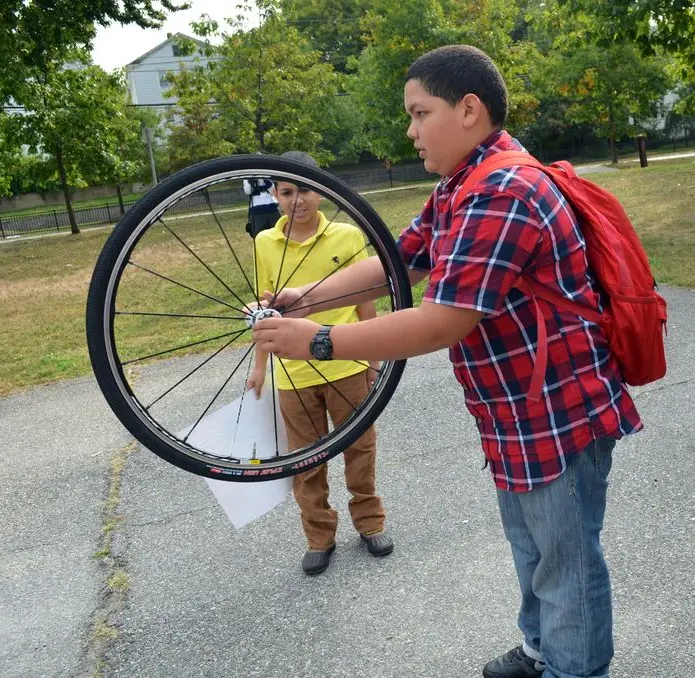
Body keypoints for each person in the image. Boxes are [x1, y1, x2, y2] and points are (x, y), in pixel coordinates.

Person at [253, 45, 642, 678]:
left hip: (556, 410)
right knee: (530, 542)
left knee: (566, 558)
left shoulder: (505, 191)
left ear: (468, 109)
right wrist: (309, 296)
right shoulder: (460, 185)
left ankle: (576, 669)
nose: (409, 130)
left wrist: (319, 340)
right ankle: (541, 649)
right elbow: (402, 260)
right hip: (513, 408)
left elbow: (443, 321)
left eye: (418, 112)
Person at [247, 150, 392, 576]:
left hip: (345, 364)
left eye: (306, 189)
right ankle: (319, 536)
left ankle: (370, 522)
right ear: (274, 194)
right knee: (305, 460)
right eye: (288, 191)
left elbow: (365, 300)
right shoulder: (263, 243)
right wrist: (260, 367)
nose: (298, 200)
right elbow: (266, 314)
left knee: (360, 449)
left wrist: (373, 356)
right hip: (292, 372)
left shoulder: (347, 237)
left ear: (322, 191)